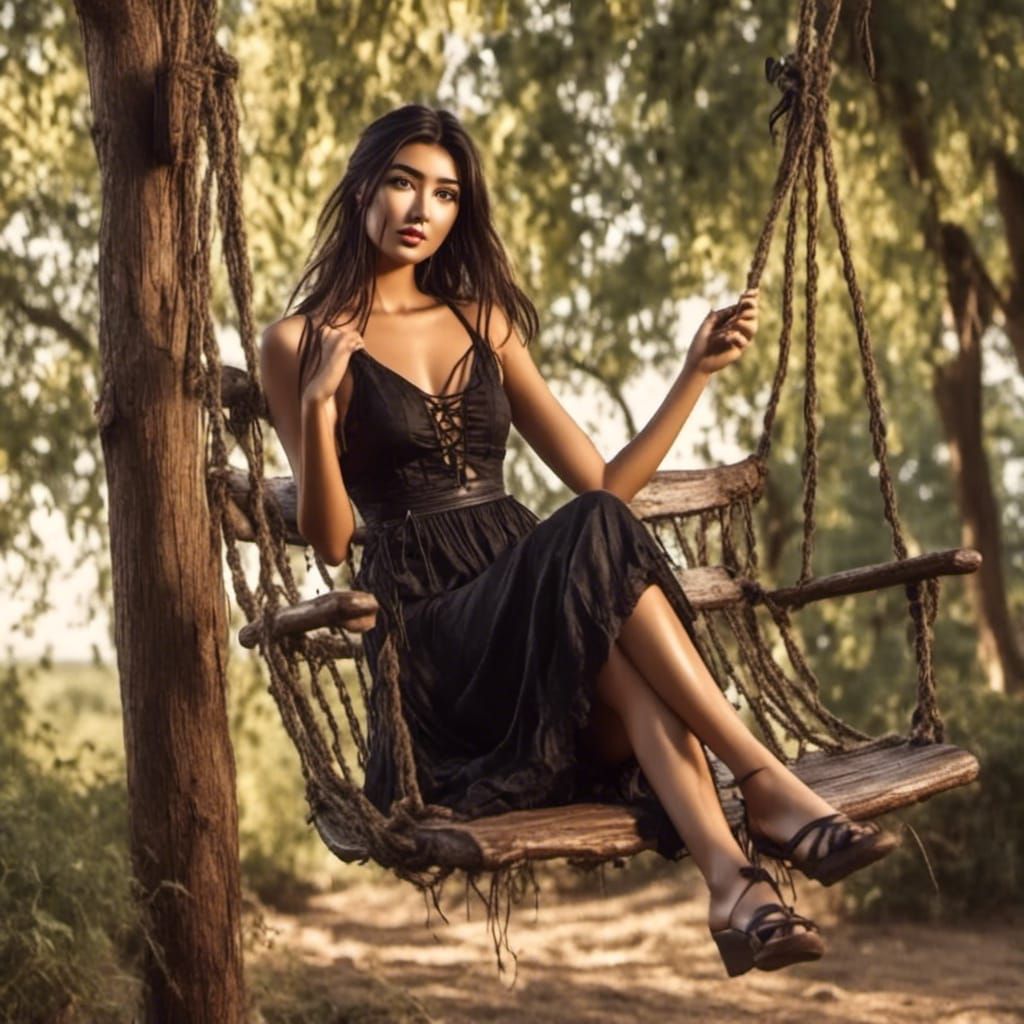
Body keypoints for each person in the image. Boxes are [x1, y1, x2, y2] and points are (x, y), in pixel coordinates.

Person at [260, 103, 898, 978]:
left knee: (626, 660)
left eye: (446, 193)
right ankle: (763, 780)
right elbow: (332, 542)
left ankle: (734, 889)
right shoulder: (299, 341)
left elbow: (601, 481)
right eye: (404, 182)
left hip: (525, 602)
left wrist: (693, 375)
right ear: (364, 185)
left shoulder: (483, 321)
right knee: (595, 534)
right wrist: (315, 403)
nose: (422, 208)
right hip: (433, 640)